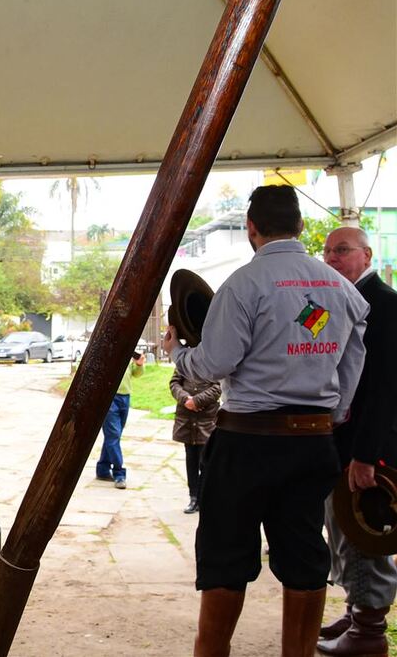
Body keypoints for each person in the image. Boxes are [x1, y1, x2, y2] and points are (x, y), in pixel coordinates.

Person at [161, 185, 368, 656]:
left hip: (246, 443)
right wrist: (326, 418)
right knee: (304, 556)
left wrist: (179, 355)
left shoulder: (243, 284)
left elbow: (214, 363)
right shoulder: (341, 290)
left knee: (225, 557)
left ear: (252, 229)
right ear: (300, 226)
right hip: (313, 442)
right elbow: (352, 369)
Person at [317, 226, 397, 656]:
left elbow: (385, 389)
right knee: (343, 532)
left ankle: (369, 633)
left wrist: (366, 456)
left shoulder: (385, 305)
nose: (332, 257)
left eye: (342, 250)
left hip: (371, 448)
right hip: (341, 443)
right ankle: (356, 611)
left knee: (366, 533)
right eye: (327, 251)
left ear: (367, 255)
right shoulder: (339, 302)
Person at [168, 371, 221, 514]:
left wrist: (197, 401)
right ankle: (193, 497)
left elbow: (218, 387)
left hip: (207, 419)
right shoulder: (184, 362)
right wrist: (186, 399)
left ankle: (204, 498)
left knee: (206, 461)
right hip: (186, 418)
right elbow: (174, 383)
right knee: (191, 459)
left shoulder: (213, 362)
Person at [96, 350, 144, 489]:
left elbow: (136, 374)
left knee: (113, 437)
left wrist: (139, 365)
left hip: (125, 397)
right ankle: (119, 473)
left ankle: (103, 469)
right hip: (109, 396)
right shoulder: (107, 350)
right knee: (113, 436)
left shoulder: (127, 349)